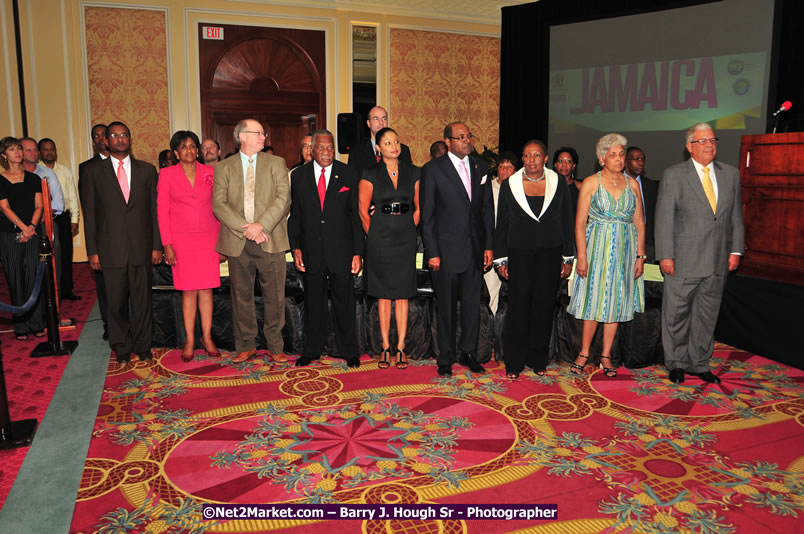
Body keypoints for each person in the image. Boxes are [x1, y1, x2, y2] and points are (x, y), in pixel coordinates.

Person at [655, 123, 744, 385]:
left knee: (707, 316)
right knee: (676, 315)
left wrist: (736, 249)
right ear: (689, 147)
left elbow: (736, 216)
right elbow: (664, 219)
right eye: (702, 140)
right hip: (683, 259)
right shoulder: (674, 175)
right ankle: (676, 363)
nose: (709, 145)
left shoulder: (730, 174)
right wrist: (665, 256)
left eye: (712, 140)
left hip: (718, 259)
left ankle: (699, 363)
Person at [81, 122, 162, 363]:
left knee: (142, 302)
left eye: (124, 135)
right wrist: (92, 251)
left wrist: (157, 245)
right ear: (105, 140)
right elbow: (90, 214)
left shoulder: (147, 170)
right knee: (115, 304)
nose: (120, 139)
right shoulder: (93, 172)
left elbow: (154, 212)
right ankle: (122, 348)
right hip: (110, 250)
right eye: (114, 135)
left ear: (130, 139)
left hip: (142, 247)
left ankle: (144, 345)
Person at [494, 141, 574, 379]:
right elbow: (502, 225)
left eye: (536, 155)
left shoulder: (558, 182)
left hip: (550, 253)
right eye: (527, 155)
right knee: (518, 308)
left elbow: (566, 221)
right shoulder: (511, 184)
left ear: (545, 158)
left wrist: (568, 256)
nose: (531, 160)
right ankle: (514, 362)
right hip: (519, 253)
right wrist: (501, 260)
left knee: (543, 307)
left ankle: (538, 358)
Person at [567, 133, 645, 377]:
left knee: (616, 304)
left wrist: (640, 256)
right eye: (613, 154)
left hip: (625, 250)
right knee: (595, 301)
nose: (619, 159)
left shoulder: (632, 185)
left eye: (621, 154)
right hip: (597, 249)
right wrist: (582, 256)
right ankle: (584, 352)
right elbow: (580, 222)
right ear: (602, 159)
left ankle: (606, 355)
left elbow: (640, 223)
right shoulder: (591, 183)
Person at [213, 118, 290, 364]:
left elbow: (283, 199)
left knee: (275, 296)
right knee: (241, 295)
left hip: (270, 238)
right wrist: (246, 230)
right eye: (258, 133)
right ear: (242, 136)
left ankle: (275, 345)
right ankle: (246, 344)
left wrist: (261, 226)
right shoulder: (224, 167)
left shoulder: (276, 163)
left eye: (263, 133)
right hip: (238, 241)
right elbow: (219, 204)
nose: (263, 137)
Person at [421, 122, 494, 377]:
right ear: (448, 142)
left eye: (469, 136)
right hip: (445, 253)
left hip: (474, 251)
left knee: (473, 306)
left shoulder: (480, 167)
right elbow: (427, 215)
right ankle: (446, 357)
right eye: (460, 137)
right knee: (447, 308)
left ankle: (469, 352)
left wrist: (488, 246)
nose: (466, 140)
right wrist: (432, 252)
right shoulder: (432, 170)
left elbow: (486, 209)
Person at [289, 129, 363, 368]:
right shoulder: (299, 176)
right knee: (314, 303)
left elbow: (355, 217)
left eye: (330, 147)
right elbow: (296, 216)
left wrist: (357, 252)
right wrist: (296, 248)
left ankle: (349, 350)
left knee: (345, 303)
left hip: (341, 251)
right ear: (311, 150)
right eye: (321, 148)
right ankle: (312, 350)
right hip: (311, 251)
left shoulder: (349, 174)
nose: (327, 152)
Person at [358, 127, 420, 369]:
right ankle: (385, 347)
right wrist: (373, 235)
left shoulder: (414, 172)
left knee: (403, 294)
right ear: (379, 148)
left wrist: (409, 227)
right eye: (387, 142)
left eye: (396, 141)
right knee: (384, 295)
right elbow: (363, 211)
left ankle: (401, 347)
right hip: (379, 237)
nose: (394, 145)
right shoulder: (369, 173)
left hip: (405, 237)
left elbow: (419, 208)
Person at [157, 131, 222, 362]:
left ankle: (207, 337)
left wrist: (221, 242)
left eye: (193, 146)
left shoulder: (211, 172)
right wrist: (167, 245)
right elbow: (162, 211)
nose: (189, 150)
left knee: (207, 289)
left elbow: (219, 208)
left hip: (208, 238)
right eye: (183, 147)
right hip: (181, 240)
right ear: (175, 152)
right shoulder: (166, 175)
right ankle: (189, 340)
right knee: (188, 291)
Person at [0, 137, 45, 339]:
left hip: (32, 233)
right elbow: (4, 207)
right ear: (4, 155)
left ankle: (36, 323)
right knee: (15, 278)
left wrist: (32, 227)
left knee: (33, 277)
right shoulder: (0, 179)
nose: (17, 152)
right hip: (9, 235)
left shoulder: (34, 178)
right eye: (11, 149)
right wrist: (23, 227)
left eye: (19, 148)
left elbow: (39, 206)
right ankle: (21, 327)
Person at [38, 137, 81, 300]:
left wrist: (75, 218)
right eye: (45, 149)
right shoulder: (37, 171)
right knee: (47, 255)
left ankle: (66, 290)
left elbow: (72, 195)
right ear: (40, 152)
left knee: (65, 254)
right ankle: (48, 290)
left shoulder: (64, 171)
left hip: (62, 218)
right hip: (43, 218)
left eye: (52, 149)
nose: (49, 152)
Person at [78, 124, 111, 339]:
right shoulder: (87, 167)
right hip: (103, 235)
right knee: (104, 284)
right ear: (93, 141)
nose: (100, 138)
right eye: (96, 136)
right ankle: (109, 323)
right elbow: (88, 207)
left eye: (103, 134)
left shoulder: (126, 163)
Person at [484, 151, 518, 315]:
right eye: (501, 166)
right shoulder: (488, 188)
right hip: (492, 247)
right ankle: (488, 333)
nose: (504, 170)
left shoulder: (521, 189)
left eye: (509, 167)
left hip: (515, 247)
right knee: (490, 291)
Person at [348, 106, 412, 178]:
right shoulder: (356, 151)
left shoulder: (402, 150)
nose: (381, 122)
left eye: (384, 118)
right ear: (369, 123)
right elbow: (352, 181)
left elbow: (408, 179)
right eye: (376, 118)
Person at [624, 146, 659, 263]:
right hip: (623, 242)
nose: (641, 163)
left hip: (648, 245)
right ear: (625, 162)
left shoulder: (651, 186)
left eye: (643, 159)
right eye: (636, 159)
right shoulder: (616, 184)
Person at [553, 147, 580, 217]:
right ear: (556, 165)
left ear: (573, 166)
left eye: (568, 161)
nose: (564, 165)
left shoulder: (580, 187)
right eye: (560, 161)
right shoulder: (547, 185)